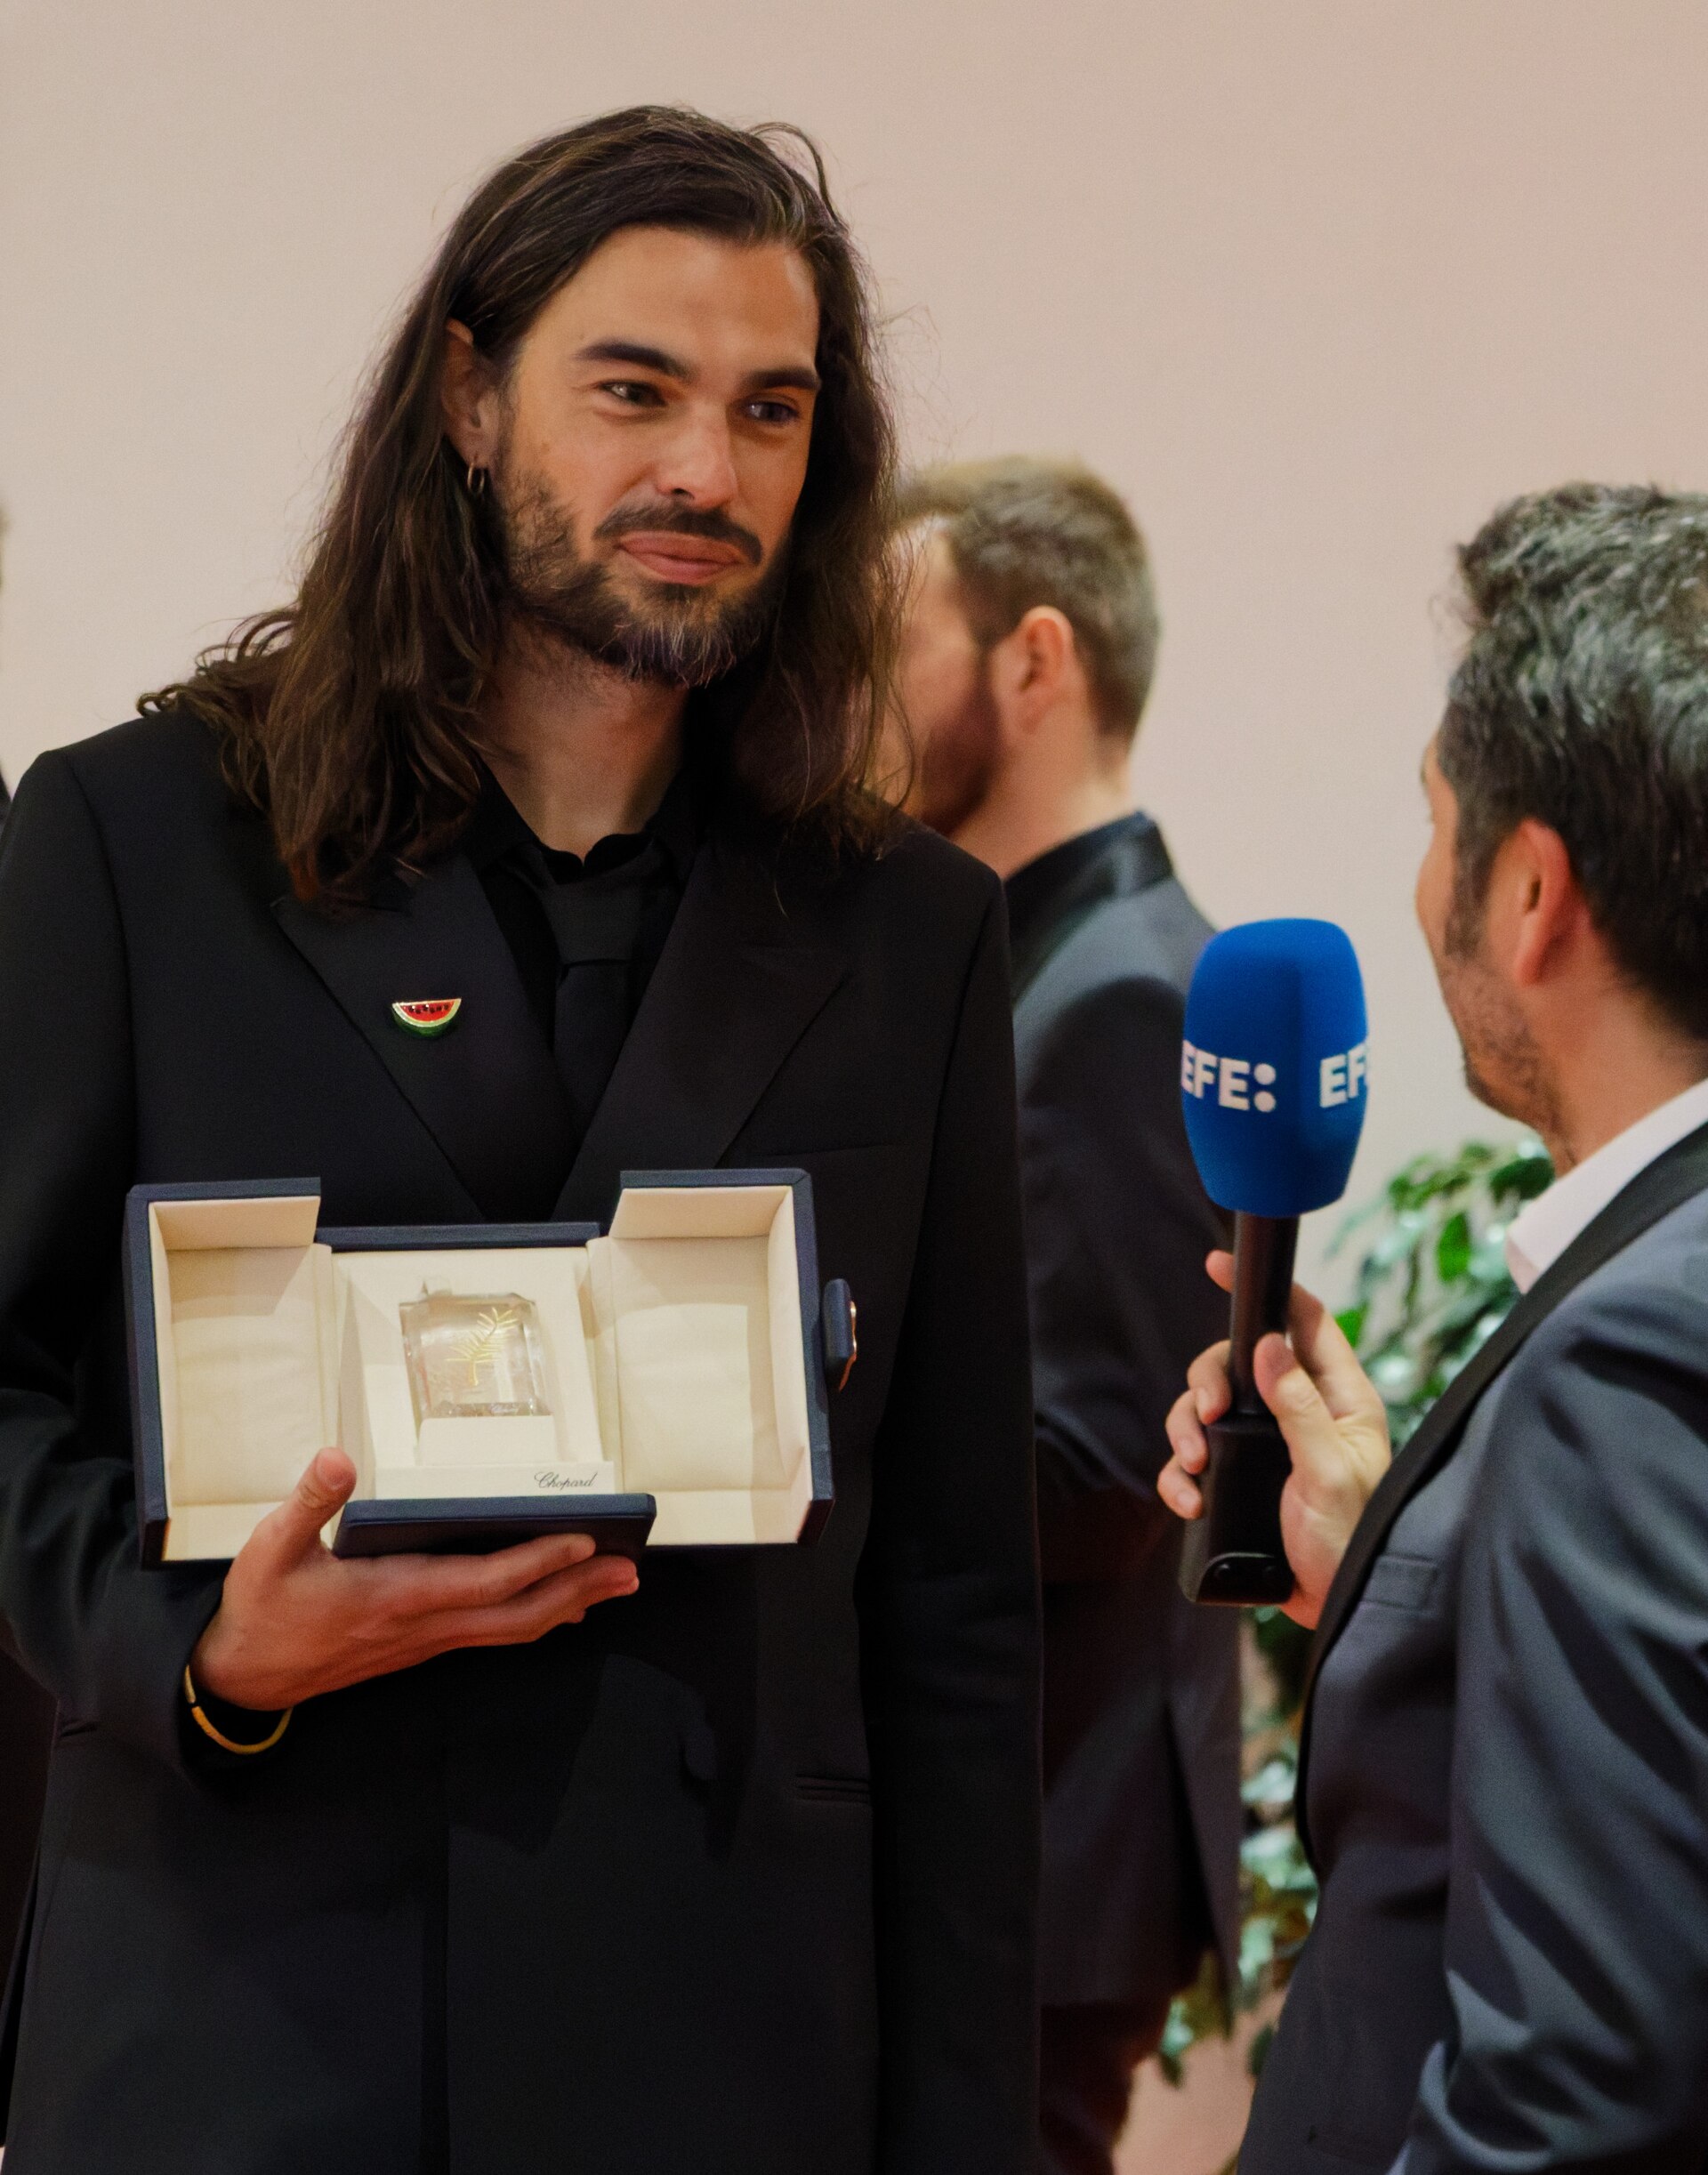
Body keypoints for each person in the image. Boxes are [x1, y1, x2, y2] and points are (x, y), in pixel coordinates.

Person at [0, 109, 1041, 2175]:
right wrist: (198, 1646)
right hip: (248, 2032)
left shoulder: (908, 931)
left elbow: (956, 1605)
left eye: (769, 410)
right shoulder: (138, 844)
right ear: (470, 402)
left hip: (731, 2054)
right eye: (633, 391)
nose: (706, 471)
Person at [1161, 483, 1708, 2172]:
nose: (1420, 883)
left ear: (1531, 890)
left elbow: (1572, 2086)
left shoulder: (1630, 1357)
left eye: (1434, 817)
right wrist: (1385, 1568)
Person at [891, 459, 1240, 2175]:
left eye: (888, 646)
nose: (852, 704)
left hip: (1048, 1823)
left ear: (1033, 661)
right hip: (1038, 1808)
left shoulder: (1120, 992)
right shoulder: (1059, 959)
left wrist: (796, 1413)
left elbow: (1106, 1468)